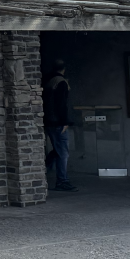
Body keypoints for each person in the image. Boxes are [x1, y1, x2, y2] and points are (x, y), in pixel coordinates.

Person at [43, 59, 77, 192]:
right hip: (57, 122)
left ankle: (46, 165)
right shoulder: (61, 82)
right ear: (64, 69)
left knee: (58, 149)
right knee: (63, 152)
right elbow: (61, 104)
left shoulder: (48, 80)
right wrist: (65, 121)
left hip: (49, 120)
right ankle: (62, 181)